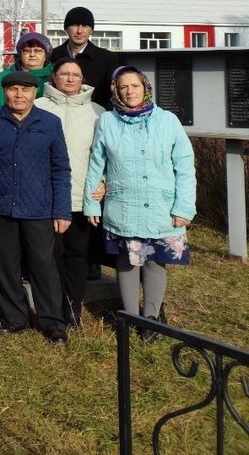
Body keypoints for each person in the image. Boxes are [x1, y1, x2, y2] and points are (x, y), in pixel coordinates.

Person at [83, 66, 196, 337]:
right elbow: (96, 163)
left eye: (134, 85)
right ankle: (129, 318)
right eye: (123, 87)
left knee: (155, 262)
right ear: (116, 91)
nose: (129, 91)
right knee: (127, 262)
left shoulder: (167, 120)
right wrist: (90, 202)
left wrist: (184, 206)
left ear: (145, 87)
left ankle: (152, 320)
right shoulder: (108, 121)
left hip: (160, 206)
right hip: (124, 206)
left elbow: (185, 165)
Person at [0, 71, 72, 344]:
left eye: (25, 90)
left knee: (44, 266)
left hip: (39, 208)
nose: (19, 95)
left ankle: (52, 321)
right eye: (13, 90)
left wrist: (62, 210)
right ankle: (15, 317)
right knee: (6, 266)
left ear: (35, 93)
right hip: (2, 205)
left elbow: (60, 169)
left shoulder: (49, 122)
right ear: (6, 92)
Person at [35, 57, 107, 328]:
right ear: (53, 77)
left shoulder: (98, 112)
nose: (69, 79)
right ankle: (53, 306)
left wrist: (105, 181)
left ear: (83, 79)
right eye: (64, 73)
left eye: (75, 75)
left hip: (81, 198)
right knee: (49, 255)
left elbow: (108, 154)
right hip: (45, 198)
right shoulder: (37, 107)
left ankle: (73, 306)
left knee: (78, 255)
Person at [50, 7, 119, 110]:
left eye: (85, 26)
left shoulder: (107, 59)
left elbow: (113, 95)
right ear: (66, 29)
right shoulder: (52, 57)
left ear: (91, 30)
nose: (79, 31)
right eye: (75, 25)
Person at [0, 32, 53, 108]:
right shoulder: (6, 76)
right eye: (27, 51)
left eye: (37, 51)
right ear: (20, 54)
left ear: (46, 54)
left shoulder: (55, 76)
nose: (32, 55)